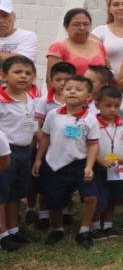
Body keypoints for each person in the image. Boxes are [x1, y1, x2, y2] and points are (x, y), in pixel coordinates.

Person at [32, 76, 100, 249]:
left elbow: (93, 145)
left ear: (88, 96)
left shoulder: (90, 118)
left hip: (80, 164)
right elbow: (45, 137)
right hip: (55, 165)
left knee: (91, 196)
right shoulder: (53, 115)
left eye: (78, 89)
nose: (72, 92)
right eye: (68, 88)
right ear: (62, 92)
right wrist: (39, 159)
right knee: (54, 202)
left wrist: (89, 166)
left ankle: (84, 230)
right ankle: (57, 229)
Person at [0, 55, 40, 246]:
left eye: (28, 73)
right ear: (3, 74)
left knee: (16, 191)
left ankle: (14, 229)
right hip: (6, 153)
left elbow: (31, 125)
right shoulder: (1, 99)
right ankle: (2, 233)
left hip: (25, 151)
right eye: (17, 72)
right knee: (2, 193)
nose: (23, 76)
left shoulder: (30, 98)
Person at [92, 86, 123, 240]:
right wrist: (99, 160)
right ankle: (95, 226)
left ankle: (108, 226)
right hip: (99, 167)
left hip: (117, 168)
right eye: (108, 106)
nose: (112, 109)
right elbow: (87, 146)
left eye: (116, 106)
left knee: (113, 197)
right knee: (98, 196)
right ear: (97, 105)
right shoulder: (92, 123)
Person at [46, 8, 108, 80]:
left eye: (86, 24)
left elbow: (108, 72)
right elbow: (51, 79)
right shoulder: (59, 47)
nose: (82, 28)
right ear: (66, 26)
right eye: (76, 24)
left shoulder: (99, 45)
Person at [0, 0, 39, 66]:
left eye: (5, 16)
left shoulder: (27, 36)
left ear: (14, 17)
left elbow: (24, 62)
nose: (1, 20)